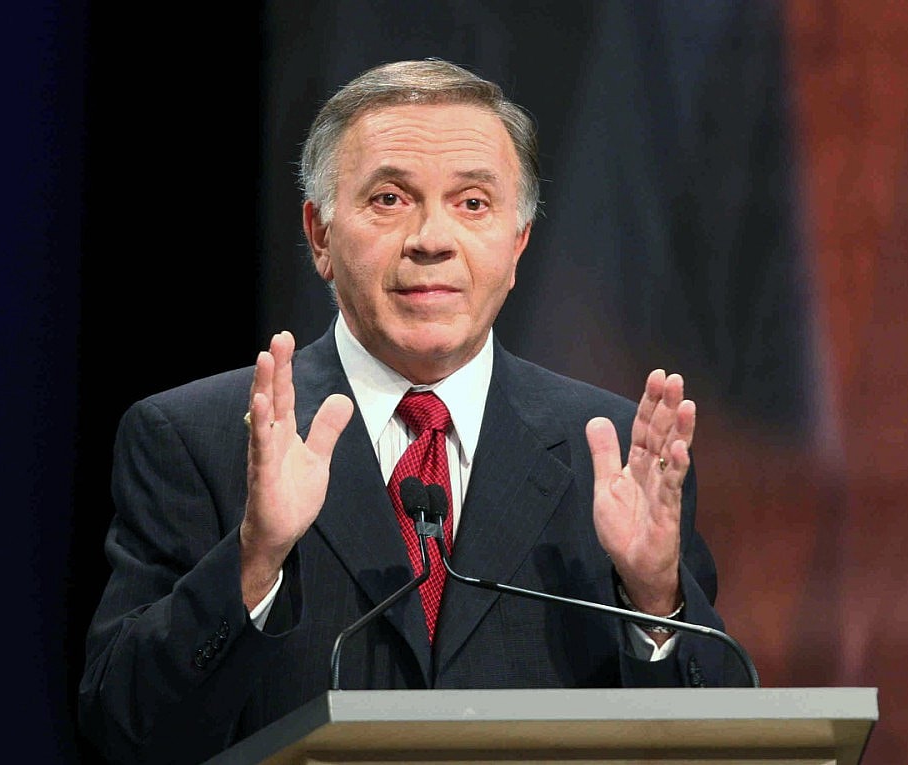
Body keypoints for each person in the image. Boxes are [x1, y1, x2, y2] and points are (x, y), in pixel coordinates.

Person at [78, 58, 750, 764]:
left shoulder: (609, 456)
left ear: (517, 244)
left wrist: (654, 601)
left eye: (472, 203)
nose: (431, 239)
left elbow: (717, 743)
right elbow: (127, 730)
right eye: (390, 198)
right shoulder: (196, 439)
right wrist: (254, 560)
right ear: (318, 234)